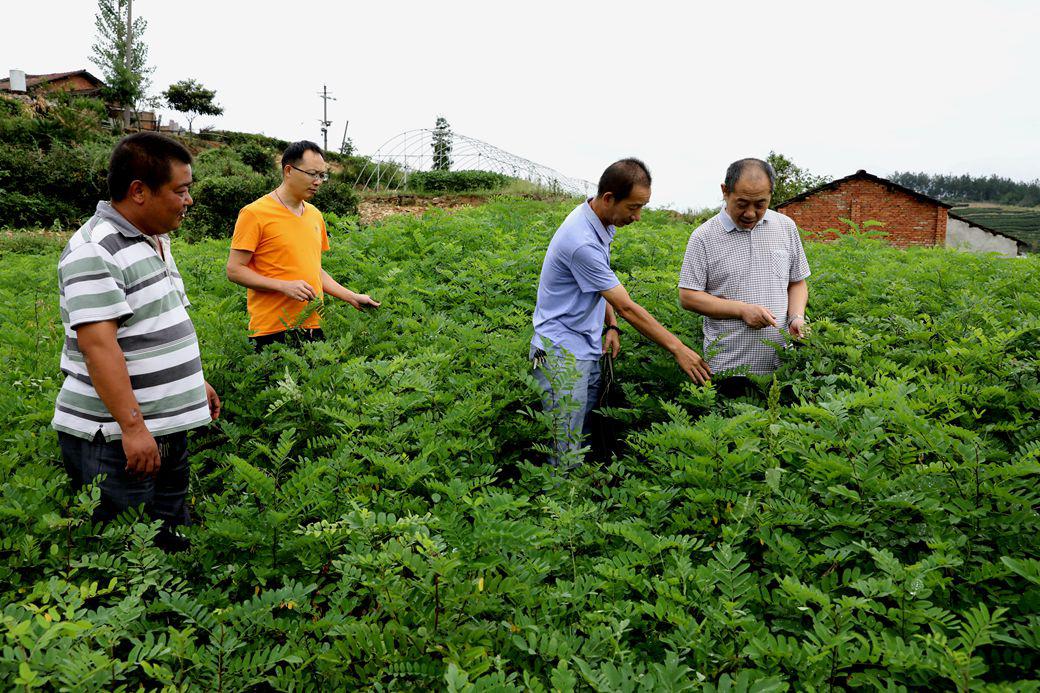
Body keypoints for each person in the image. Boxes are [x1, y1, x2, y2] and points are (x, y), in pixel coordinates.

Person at [52, 132, 221, 551]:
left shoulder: (155, 239)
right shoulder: (94, 250)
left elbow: (158, 322)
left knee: (168, 545)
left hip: (162, 430)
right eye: (180, 191)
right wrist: (132, 427)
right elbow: (99, 347)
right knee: (128, 556)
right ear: (139, 191)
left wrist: (190, 383)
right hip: (116, 439)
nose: (189, 200)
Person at [531, 158, 712, 464]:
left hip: (583, 347)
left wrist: (610, 325)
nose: (638, 216)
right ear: (608, 198)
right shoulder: (582, 241)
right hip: (560, 354)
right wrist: (678, 348)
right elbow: (626, 305)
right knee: (564, 449)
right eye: (633, 207)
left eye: (643, 206)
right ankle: (558, 506)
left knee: (579, 436)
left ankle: (574, 500)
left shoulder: (598, 221)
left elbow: (600, 287)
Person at [226, 140, 379, 349]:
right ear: (289, 170)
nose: (318, 181)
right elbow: (234, 270)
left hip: (313, 324)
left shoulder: (314, 215)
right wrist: (283, 286)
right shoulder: (254, 213)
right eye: (312, 174)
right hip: (272, 330)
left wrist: (351, 296)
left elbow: (313, 269)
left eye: (322, 175)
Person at [678, 158, 810, 397]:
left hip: (783, 366)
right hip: (728, 369)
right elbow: (688, 296)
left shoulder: (785, 227)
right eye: (742, 204)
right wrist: (741, 310)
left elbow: (797, 282)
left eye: (760, 204)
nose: (751, 213)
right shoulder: (704, 237)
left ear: (771, 195)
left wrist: (796, 318)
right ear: (725, 192)